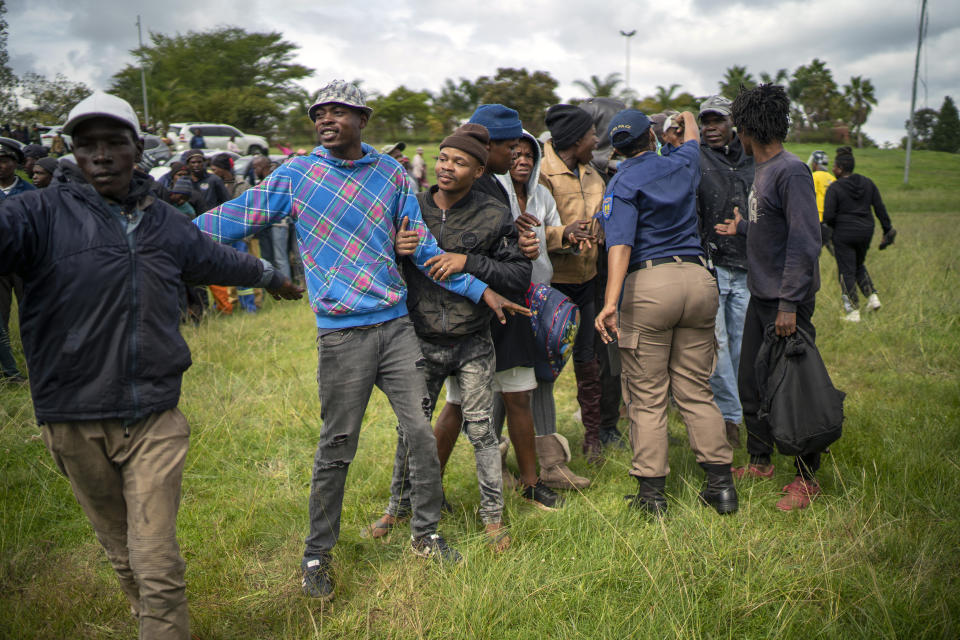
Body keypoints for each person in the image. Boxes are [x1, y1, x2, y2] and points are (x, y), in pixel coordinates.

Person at [193, 79, 526, 600]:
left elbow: (424, 251)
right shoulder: (298, 174)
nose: (326, 119)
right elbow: (231, 220)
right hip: (341, 334)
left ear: (362, 119)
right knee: (337, 444)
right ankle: (316, 553)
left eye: (338, 111)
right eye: (318, 112)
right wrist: (165, 238)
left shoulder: (391, 175)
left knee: (418, 432)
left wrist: (482, 290)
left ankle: (426, 533)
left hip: (395, 326)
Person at [0, 91, 302, 639]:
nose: (101, 155)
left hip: (153, 418)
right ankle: (148, 620)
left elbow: (218, 258)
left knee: (156, 560)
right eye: (87, 145)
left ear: (136, 148)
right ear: (69, 150)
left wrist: (273, 278)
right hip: (72, 416)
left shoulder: (165, 223)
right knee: (122, 552)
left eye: (114, 143)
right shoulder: (34, 214)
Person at [369, 123, 533, 552]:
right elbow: (379, 266)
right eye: (443, 158)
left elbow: (518, 275)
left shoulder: (495, 216)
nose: (446, 167)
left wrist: (469, 262)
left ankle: (493, 519)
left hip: (473, 341)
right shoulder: (411, 208)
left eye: (459, 162)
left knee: (481, 433)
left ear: (479, 171)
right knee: (411, 431)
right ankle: (397, 508)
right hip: (418, 340)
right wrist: (395, 246)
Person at [595, 109, 737, 517]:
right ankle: (721, 488)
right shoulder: (682, 161)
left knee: (648, 396)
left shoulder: (621, 182)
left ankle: (652, 497)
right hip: (698, 279)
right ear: (652, 137)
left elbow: (619, 245)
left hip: (650, 285)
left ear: (617, 149)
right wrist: (684, 117)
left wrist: (610, 303)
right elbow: (692, 132)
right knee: (695, 388)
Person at [714, 84, 826, 511]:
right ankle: (760, 460)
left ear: (745, 130)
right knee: (753, 381)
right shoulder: (764, 171)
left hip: (785, 301)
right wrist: (742, 229)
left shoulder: (791, 170)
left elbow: (805, 240)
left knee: (794, 387)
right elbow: (774, 228)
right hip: (762, 294)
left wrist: (788, 304)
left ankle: (806, 478)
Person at [499, 130, 590, 491]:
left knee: (543, 376)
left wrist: (568, 235)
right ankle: (497, 469)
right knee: (500, 382)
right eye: (515, 155)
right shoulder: (493, 194)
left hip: (539, 296)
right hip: (502, 297)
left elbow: (549, 232)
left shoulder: (540, 194)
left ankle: (551, 464)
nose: (522, 161)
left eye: (528, 156)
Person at [539, 103, 606, 464]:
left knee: (588, 361)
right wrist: (563, 234)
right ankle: (541, 439)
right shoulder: (540, 173)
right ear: (576, 139)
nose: (597, 140)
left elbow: (604, 218)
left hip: (588, 281)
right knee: (543, 364)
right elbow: (529, 226)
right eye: (592, 134)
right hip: (554, 286)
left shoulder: (594, 177)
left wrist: (601, 230)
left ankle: (592, 440)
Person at [695, 95, 755, 449]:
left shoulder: (751, 159)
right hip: (711, 266)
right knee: (715, 346)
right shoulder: (696, 157)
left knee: (742, 346)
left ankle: (746, 414)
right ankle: (730, 420)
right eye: (706, 121)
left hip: (747, 266)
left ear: (732, 123)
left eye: (718, 121)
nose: (711, 128)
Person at [823, 146, 896, 322]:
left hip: (844, 233)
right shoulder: (868, 183)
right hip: (866, 231)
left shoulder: (835, 188)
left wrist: (830, 231)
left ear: (840, 169)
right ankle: (872, 298)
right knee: (857, 264)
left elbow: (829, 216)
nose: (832, 169)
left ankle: (853, 312)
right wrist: (887, 230)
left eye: (834, 166)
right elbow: (880, 208)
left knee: (846, 271)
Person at [808, 150, 836, 255]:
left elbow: (810, 197)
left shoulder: (814, 176)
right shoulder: (833, 179)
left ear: (815, 163)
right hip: (830, 222)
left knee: (813, 254)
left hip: (817, 221)